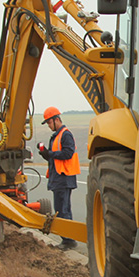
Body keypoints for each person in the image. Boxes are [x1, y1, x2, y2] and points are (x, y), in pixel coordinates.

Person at [37, 106, 79, 250]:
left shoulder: (65, 134)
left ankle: (68, 240)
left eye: (49, 123)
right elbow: (55, 157)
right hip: (59, 177)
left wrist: (50, 154)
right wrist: (46, 154)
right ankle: (68, 239)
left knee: (63, 210)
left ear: (56, 120)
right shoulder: (56, 135)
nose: (49, 126)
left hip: (63, 177)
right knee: (62, 209)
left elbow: (68, 153)